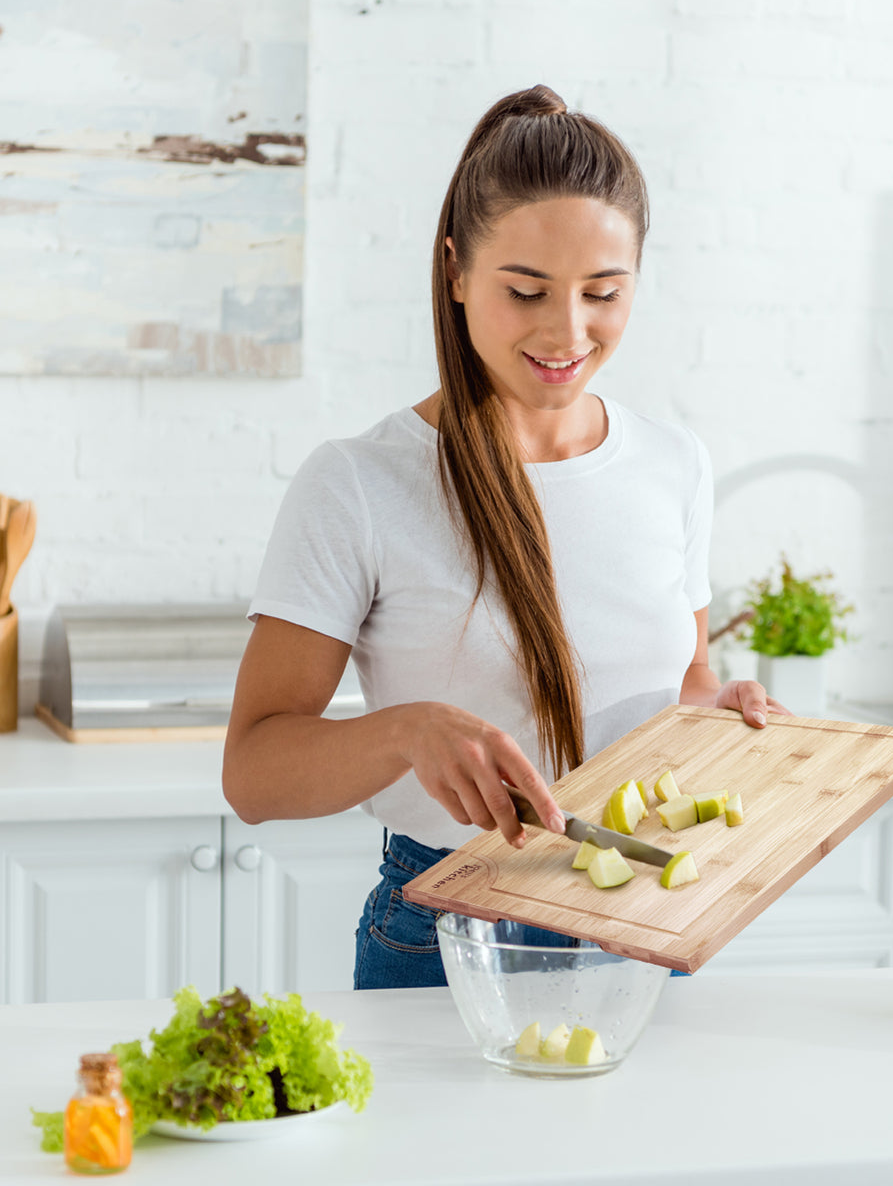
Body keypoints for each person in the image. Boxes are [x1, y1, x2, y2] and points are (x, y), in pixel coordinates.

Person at [222, 84, 789, 989]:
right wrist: (405, 733)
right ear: (454, 271)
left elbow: (681, 679)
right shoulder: (362, 484)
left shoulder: (673, 462)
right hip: (449, 929)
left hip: (645, 914)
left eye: (604, 293)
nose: (569, 333)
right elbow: (252, 773)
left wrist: (710, 718)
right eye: (526, 290)